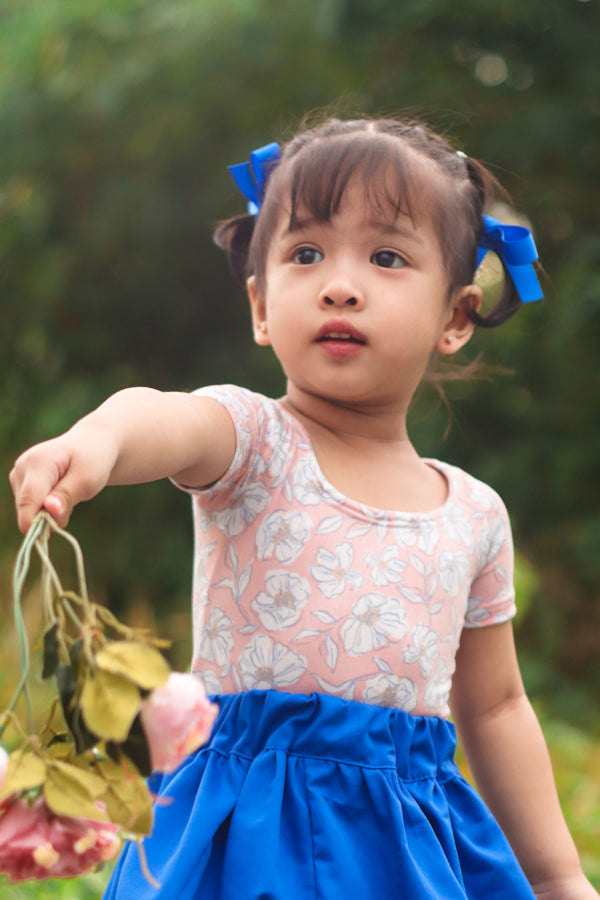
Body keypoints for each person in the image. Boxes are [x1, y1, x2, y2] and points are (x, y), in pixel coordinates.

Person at [9, 116, 597, 900]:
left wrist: (559, 877)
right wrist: (100, 441)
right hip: (241, 829)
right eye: (306, 253)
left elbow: (494, 707)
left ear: (455, 317)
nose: (340, 283)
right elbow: (162, 415)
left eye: (387, 257)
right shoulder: (252, 439)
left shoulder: (474, 513)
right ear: (260, 305)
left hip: (404, 844)